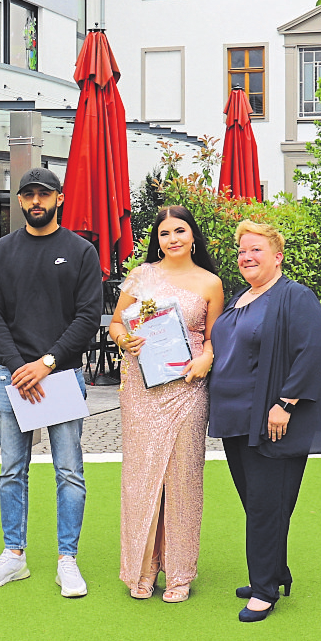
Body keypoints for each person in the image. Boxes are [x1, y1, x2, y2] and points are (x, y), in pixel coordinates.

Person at [0, 167, 102, 598]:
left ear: (59, 199)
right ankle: (14, 555)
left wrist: (46, 364)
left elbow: (88, 317)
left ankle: (67, 559)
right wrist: (19, 368)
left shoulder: (81, 251)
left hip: (62, 376)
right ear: (20, 201)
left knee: (69, 472)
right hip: (12, 378)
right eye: (28, 195)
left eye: (43, 195)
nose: (35, 202)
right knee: (12, 471)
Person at [209, 220, 321, 622]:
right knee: (258, 503)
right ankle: (274, 572)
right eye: (242, 250)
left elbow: (312, 348)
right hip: (236, 421)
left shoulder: (294, 296)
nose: (246, 256)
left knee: (267, 505)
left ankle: (264, 590)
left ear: (277, 257)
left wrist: (286, 403)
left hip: (274, 419)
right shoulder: (240, 299)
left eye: (256, 249)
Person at [109, 205, 223, 603]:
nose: (172, 239)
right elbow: (116, 322)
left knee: (183, 480)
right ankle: (141, 570)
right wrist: (125, 340)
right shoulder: (142, 276)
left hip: (187, 389)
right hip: (142, 390)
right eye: (164, 234)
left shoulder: (210, 283)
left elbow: (214, 337)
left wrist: (207, 357)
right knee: (140, 478)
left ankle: (179, 573)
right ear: (156, 240)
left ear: (193, 235)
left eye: (180, 231)